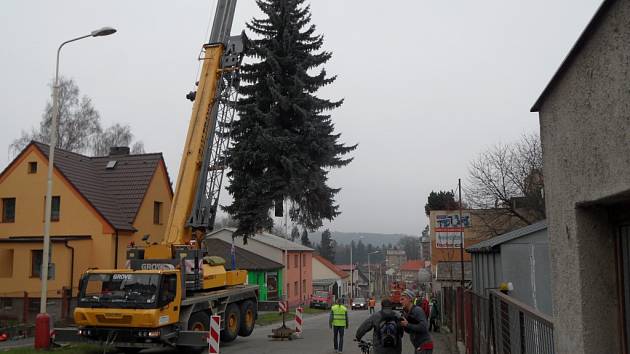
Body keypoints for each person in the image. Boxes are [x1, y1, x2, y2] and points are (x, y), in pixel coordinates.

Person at [400, 289, 433, 354]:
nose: (400, 302)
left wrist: (407, 324)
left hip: (424, 346)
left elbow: (424, 327)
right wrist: (403, 325)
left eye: (402, 299)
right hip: (418, 346)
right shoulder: (407, 312)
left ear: (409, 299)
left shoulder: (417, 310)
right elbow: (410, 331)